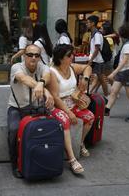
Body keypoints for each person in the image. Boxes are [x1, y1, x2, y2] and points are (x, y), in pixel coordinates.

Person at [7, 44, 88, 177]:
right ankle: (16, 163)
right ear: (24, 56)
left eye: (37, 55)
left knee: (53, 126)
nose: (33, 58)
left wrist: (42, 83)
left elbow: (47, 75)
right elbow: (24, 79)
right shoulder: (17, 67)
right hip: (18, 107)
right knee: (14, 129)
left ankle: (49, 157)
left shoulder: (42, 67)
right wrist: (43, 89)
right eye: (30, 55)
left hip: (38, 107)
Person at [48, 44, 95, 168]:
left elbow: (88, 67)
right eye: (69, 55)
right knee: (65, 121)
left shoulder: (71, 67)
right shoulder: (52, 72)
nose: (72, 57)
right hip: (58, 106)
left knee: (90, 117)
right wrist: (69, 113)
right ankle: (72, 158)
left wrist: (85, 79)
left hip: (73, 102)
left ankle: (80, 143)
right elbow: (56, 97)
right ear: (60, 58)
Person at [105, 23, 129, 122]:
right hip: (124, 71)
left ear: (123, 33)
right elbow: (115, 35)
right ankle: (107, 110)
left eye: (119, 31)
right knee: (114, 91)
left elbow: (124, 62)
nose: (117, 33)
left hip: (128, 71)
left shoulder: (128, 45)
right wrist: (104, 36)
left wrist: (113, 73)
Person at [86, 15, 109, 97]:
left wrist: (91, 60)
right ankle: (90, 92)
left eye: (88, 22)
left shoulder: (97, 34)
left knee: (101, 78)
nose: (86, 24)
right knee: (99, 78)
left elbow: (97, 48)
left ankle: (106, 95)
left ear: (93, 23)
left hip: (98, 60)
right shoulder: (93, 33)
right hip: (96, 59)